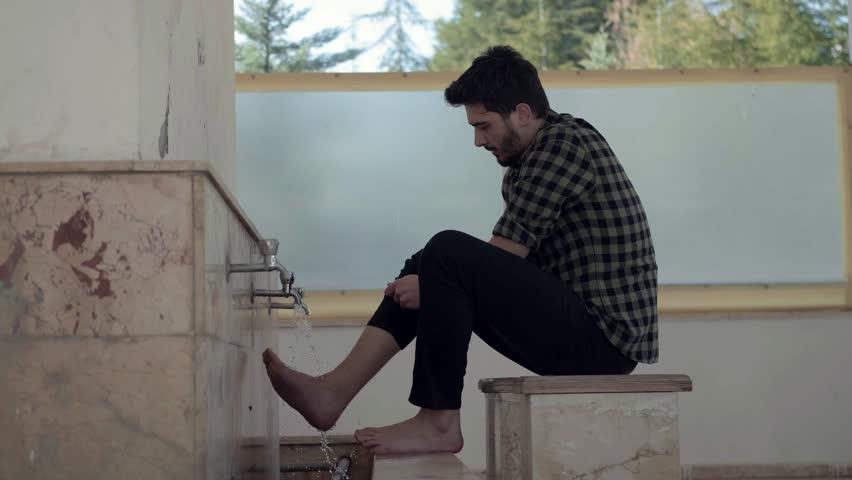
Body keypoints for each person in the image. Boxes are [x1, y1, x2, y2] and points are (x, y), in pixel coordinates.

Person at [262, 45, 658, 455]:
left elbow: (502, 258)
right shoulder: (529, 161)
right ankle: (333, 392)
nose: (477, 140)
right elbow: (502, 270)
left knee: (446, 253)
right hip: (579, 327)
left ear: (522, 113)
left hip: (604, 341)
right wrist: (434, 282)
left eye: (484, 126)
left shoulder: (563, 146)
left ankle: (438, 422)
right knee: (429, 261)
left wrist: (435, 288)